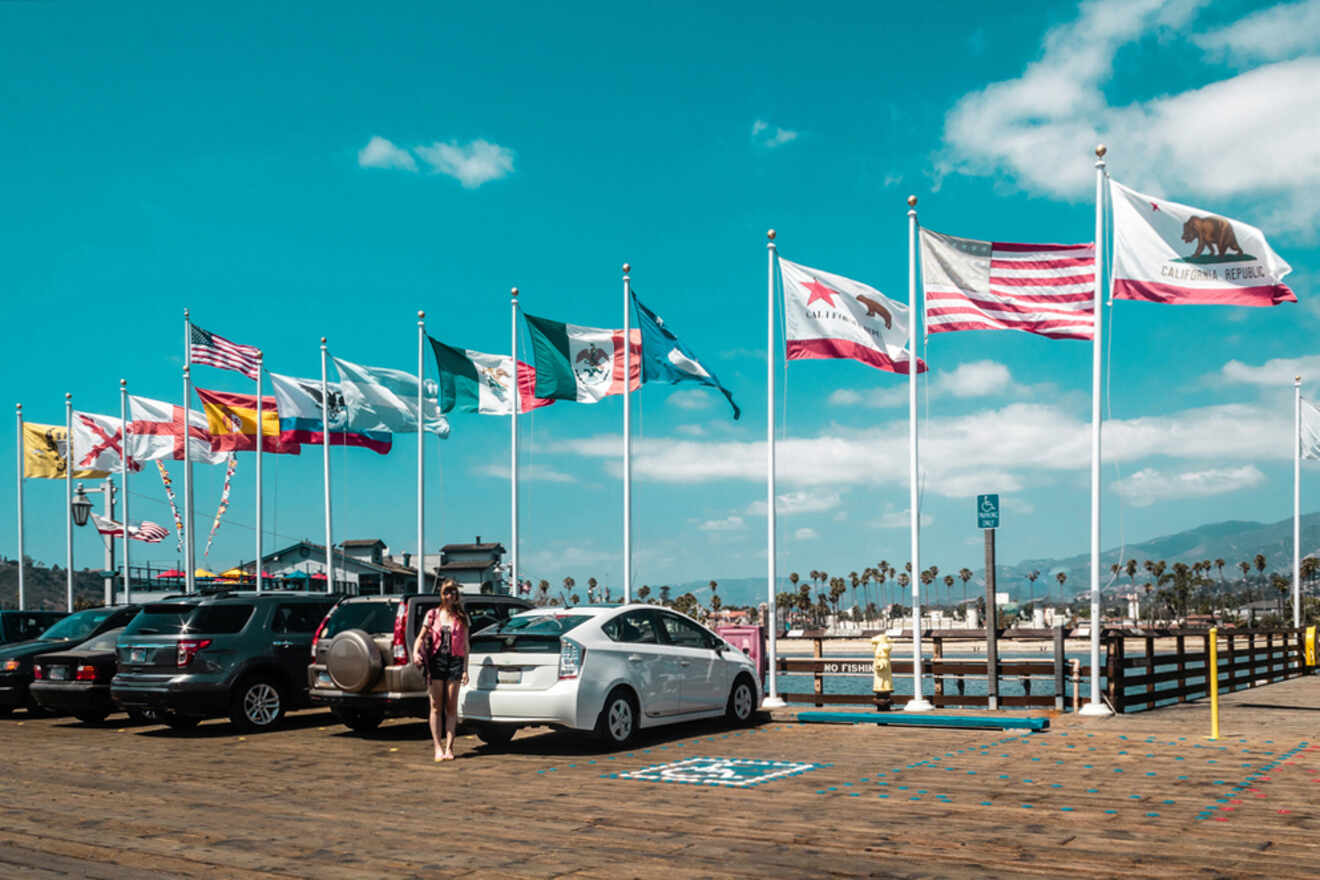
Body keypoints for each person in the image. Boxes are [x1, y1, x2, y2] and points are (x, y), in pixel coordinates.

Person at [413, 579, 470, 761]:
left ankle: (449, 747)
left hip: (455, 661)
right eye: (447, 592)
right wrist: (415, 653)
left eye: (453, 592)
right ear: (442, 594)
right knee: (436, 706)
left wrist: (465, 670)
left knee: (451, 707)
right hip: (436, 662)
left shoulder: (462, 617)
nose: (450, 596)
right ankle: (437, 747)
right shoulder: (432, 615)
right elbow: (420, 638)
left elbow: (466, 646)